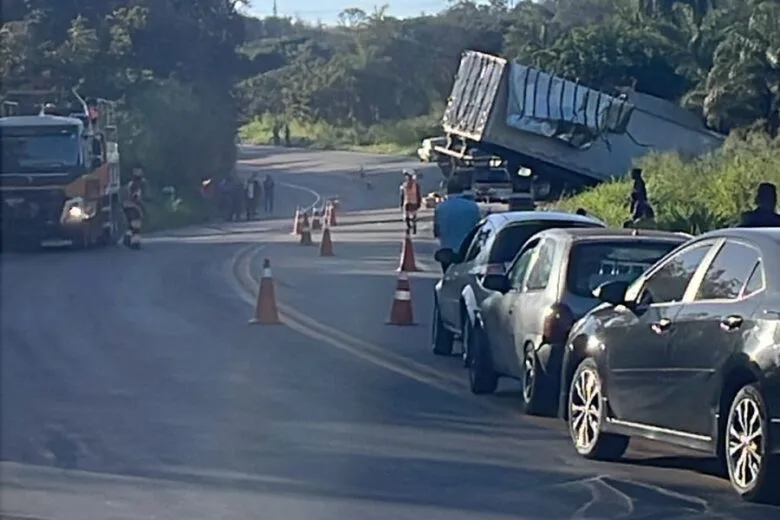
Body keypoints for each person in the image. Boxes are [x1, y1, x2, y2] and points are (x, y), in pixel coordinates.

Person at [434, 177, 482, 273]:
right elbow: (479, 229)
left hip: (447, 252)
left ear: (448, 190)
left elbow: (436, 232)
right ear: (462, 190)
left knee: (448, 276)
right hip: (468, 250)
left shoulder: (440, 208)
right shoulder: (473, 207)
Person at [123, 168, 148, 249]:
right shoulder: (137, 186)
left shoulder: (130, 184)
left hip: (126, 207)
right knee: (136, 226)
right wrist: (142, 207)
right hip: (133, 207)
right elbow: (136, 198)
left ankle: (127, 238)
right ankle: (135, 243)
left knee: (131, 225)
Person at [399, 169, 422, 234]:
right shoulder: (415, 185)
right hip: (413, 202)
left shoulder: (404, 185)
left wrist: (401, 204)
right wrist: (419, 202)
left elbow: (402, 195)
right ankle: (413, 226)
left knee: (408, 215)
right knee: (413, 215)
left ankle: (409, 226)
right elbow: (418, 194)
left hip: (408, 202)